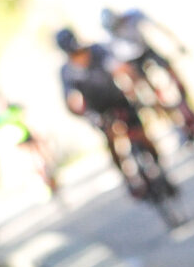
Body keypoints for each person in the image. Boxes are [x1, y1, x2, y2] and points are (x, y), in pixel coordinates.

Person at [57, 27, 155, 194]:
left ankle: (156, 161)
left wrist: (135, 86)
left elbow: (120, 67)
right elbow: (71, 101)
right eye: (74, 55)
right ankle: (127, 177)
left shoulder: (97, 50)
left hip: (116, 98)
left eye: (81, 52)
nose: (81, 57)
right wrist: (79, 107)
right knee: (111, 140)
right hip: (96, 109)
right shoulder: (67, 72)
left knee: (140, 132)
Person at [99, 5, 194, 118]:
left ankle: (183, 95)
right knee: (143, 87)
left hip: (144, 49)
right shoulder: (107, 39)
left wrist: (176, 43)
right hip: (130, 60)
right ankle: (164, 111)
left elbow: (158, 27)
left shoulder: (132, 15)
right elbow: (115, 66)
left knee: (169, 69)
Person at [0, 89, 60, 200]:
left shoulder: (14, 109)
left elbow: (26, 120)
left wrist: (36, 133)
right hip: (18, 142)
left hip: (28, 137)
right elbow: (0, 133)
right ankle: (44, 185)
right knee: (34, 164)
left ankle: (51, 180)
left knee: (42, 160)